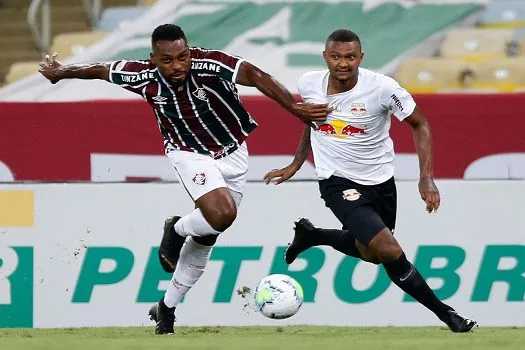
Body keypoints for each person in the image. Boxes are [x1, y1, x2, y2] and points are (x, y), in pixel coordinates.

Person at [39, 24, 331, 335]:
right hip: (187, 152)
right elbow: (99, 69)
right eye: (167, 60)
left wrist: (295, 107)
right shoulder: (141, 75)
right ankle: (177, 229)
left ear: (189, 51)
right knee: (222, 214)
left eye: (183, 57)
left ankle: (166, 307)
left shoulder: (210, 64)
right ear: (153, 59)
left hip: (233, 152)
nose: (177, 66)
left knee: (208, 236)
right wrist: (62, 72)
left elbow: (256, 76)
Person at [263, 29, 477, 332]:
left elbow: (421, 124)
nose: (343, 63)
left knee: (371, 254)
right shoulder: (309, 83)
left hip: (380, 183)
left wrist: (426, 178)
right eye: (336, 56)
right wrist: (297, 163)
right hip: (336, 181)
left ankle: (313, 236)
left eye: (350, 57)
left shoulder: (382, 88)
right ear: (325, 57)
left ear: (360, 58)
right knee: (388, 249)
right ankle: (447, 315)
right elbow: (311, 123)